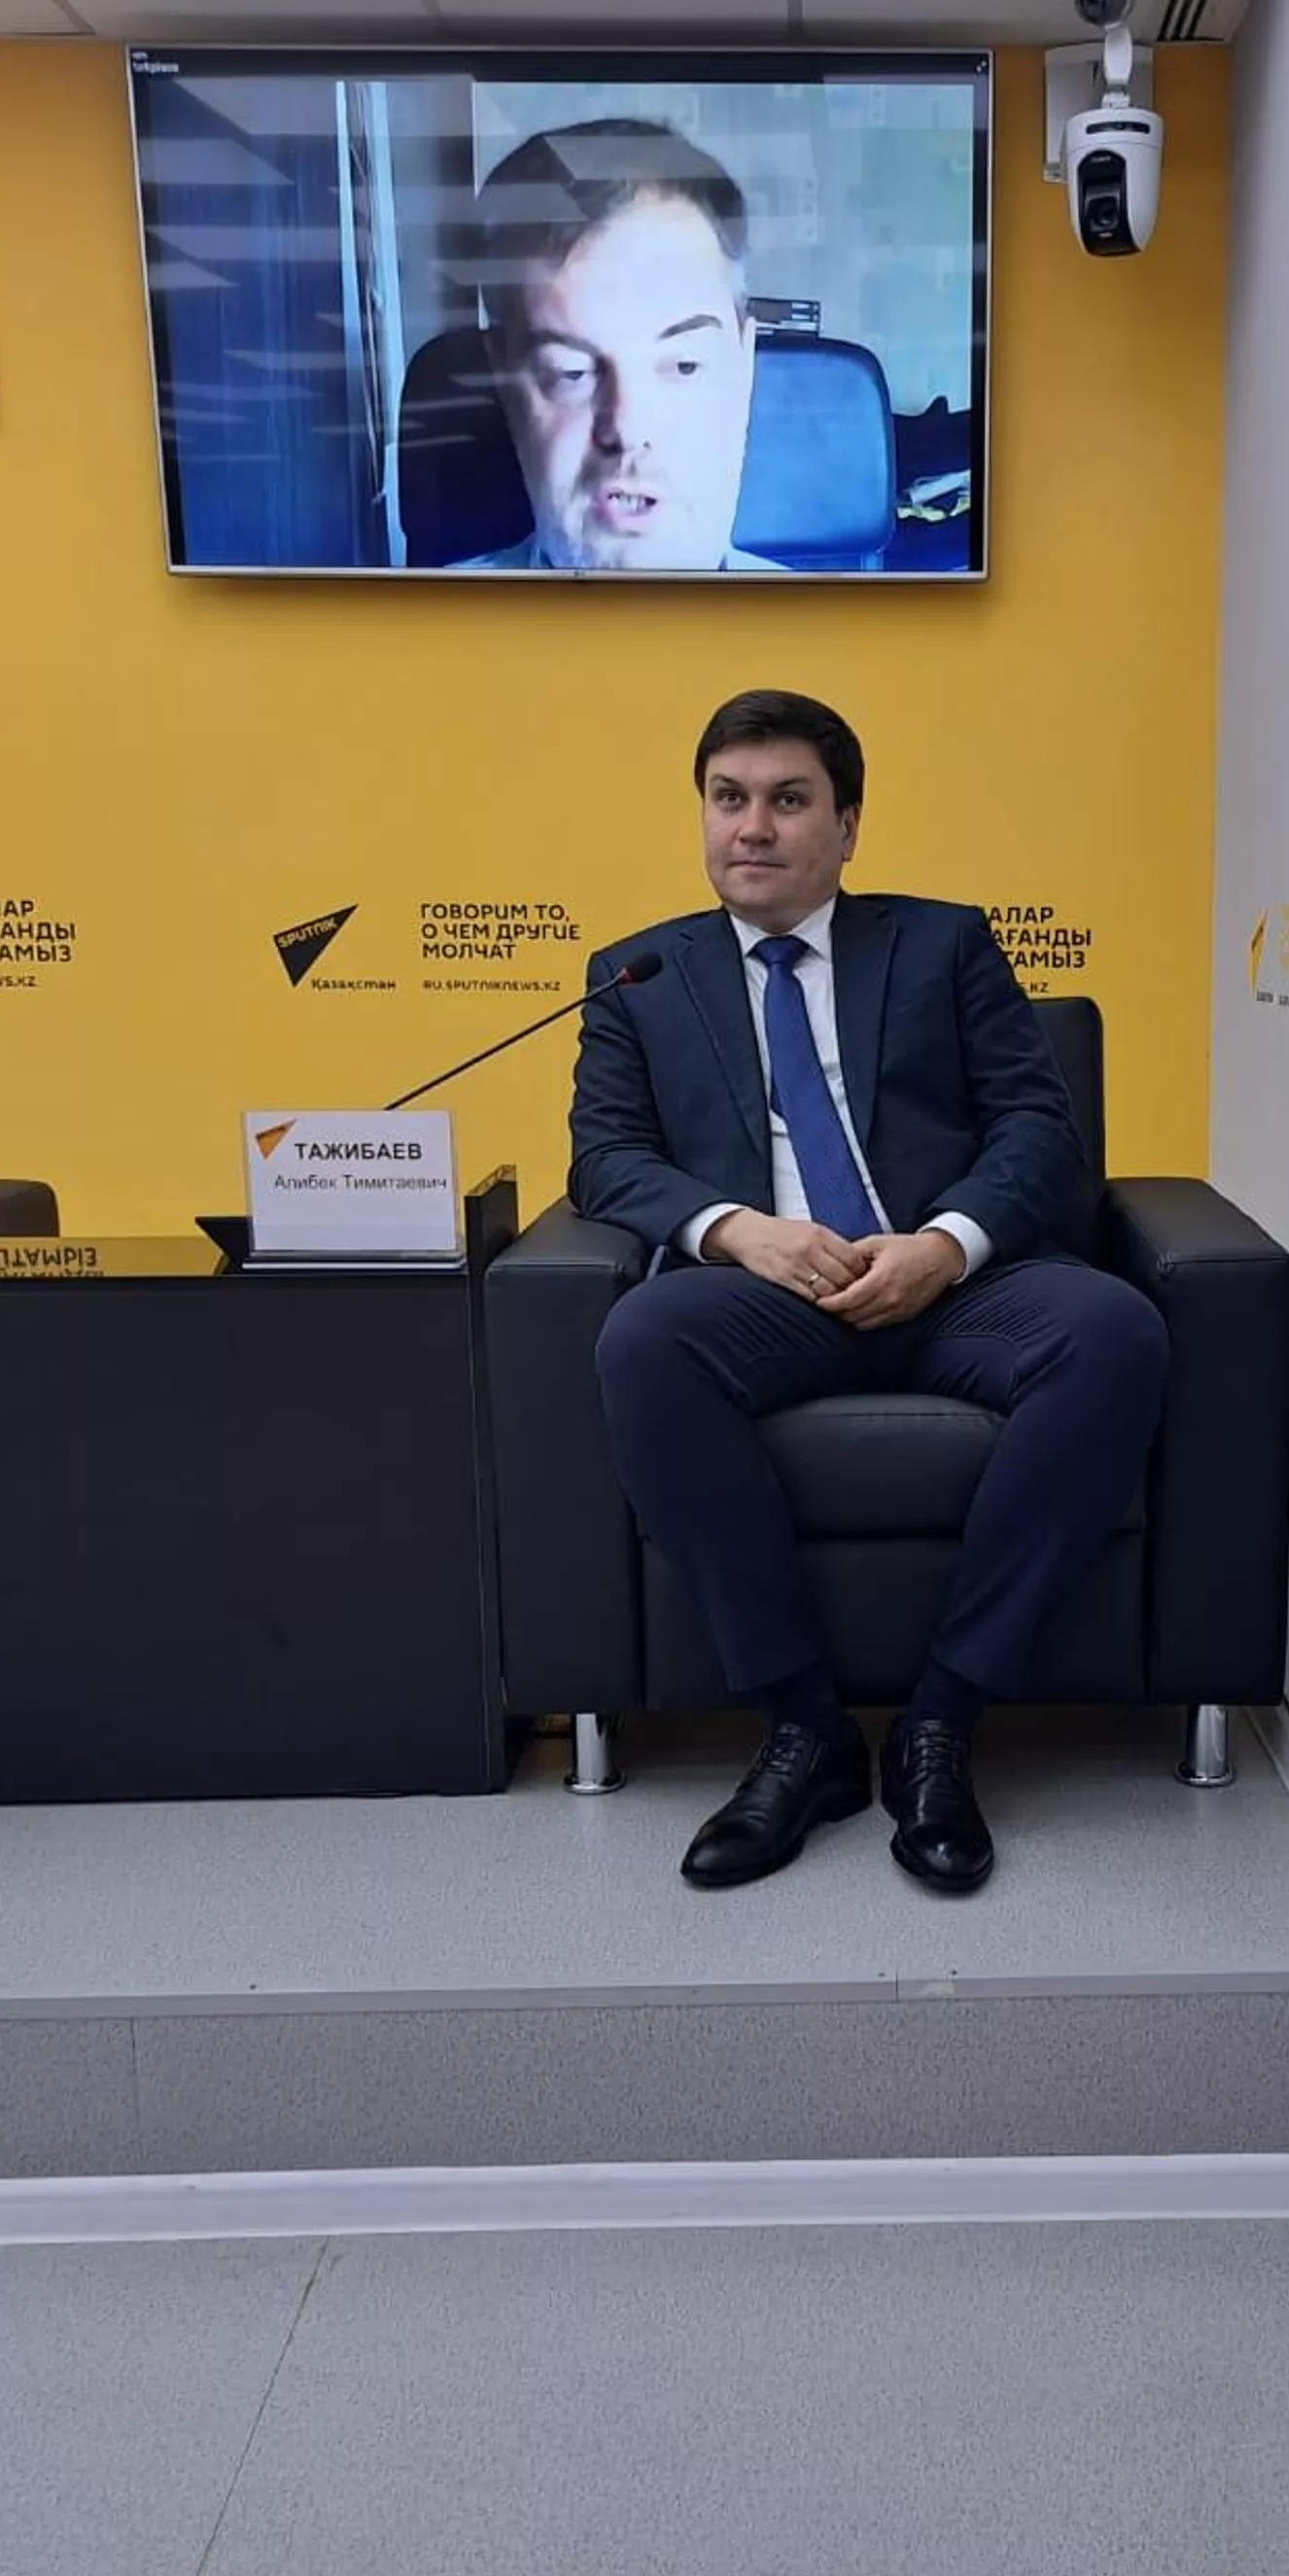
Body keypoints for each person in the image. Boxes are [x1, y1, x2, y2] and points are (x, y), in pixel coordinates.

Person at [570, 688, 1170, 1894]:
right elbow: (607, 1155)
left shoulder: (943, 945)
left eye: (788, 800)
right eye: (729, 799)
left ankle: (942, 1721)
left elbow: (1037, 1128)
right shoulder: (640, 974)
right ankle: (805, 1731)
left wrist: (943, 1245)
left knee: (1113, 1332)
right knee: (644, 1340)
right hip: (767, 1295)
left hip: (951, 1286)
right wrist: (741, 1232)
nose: (753, 826)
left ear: (846, 826)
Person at [460, 120, 781, 575]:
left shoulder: (849, 620)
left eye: (685, 366)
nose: (628, 428)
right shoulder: (409, 619)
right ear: (504, 381)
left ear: (743, 371)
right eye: (571, 373)